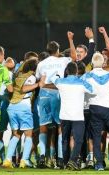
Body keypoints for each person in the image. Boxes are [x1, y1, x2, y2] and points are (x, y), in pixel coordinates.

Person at [35, 31, 76, 168]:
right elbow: (74, 57)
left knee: (43, 127)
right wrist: (70, 39)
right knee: (59, 127)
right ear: (58, 50)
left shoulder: (41, 64)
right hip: (57, 93)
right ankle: (59, 158)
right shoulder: (63, 60)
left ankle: (41, 158)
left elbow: (38, 78)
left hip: (44, 94)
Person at [81, 52, 109, 171]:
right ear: (103, 63)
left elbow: (80, 87)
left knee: (96, 136)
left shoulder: (87, 76)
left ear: (92, 63)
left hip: (95, 107)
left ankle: (99, 164)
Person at [3, 59, 46, 168]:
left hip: (12, 107)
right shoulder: (31, 77)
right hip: (23, 107)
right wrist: (38, 84)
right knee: (28, 135)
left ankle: (8, 160)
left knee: (16, 135)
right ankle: (25, 160)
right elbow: (24, 89)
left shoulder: (19, 75)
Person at [51, 62, 93, 170]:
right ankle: (73, 161)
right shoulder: (82, 83)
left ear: (67, 71)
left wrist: (58, 74)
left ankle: (65, 162)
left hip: (64, 115)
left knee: (65, 139)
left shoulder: (60, 82)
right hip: (77, 116)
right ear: (77, 71)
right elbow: (93, 90)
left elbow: (52, 78)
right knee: (78, 140)